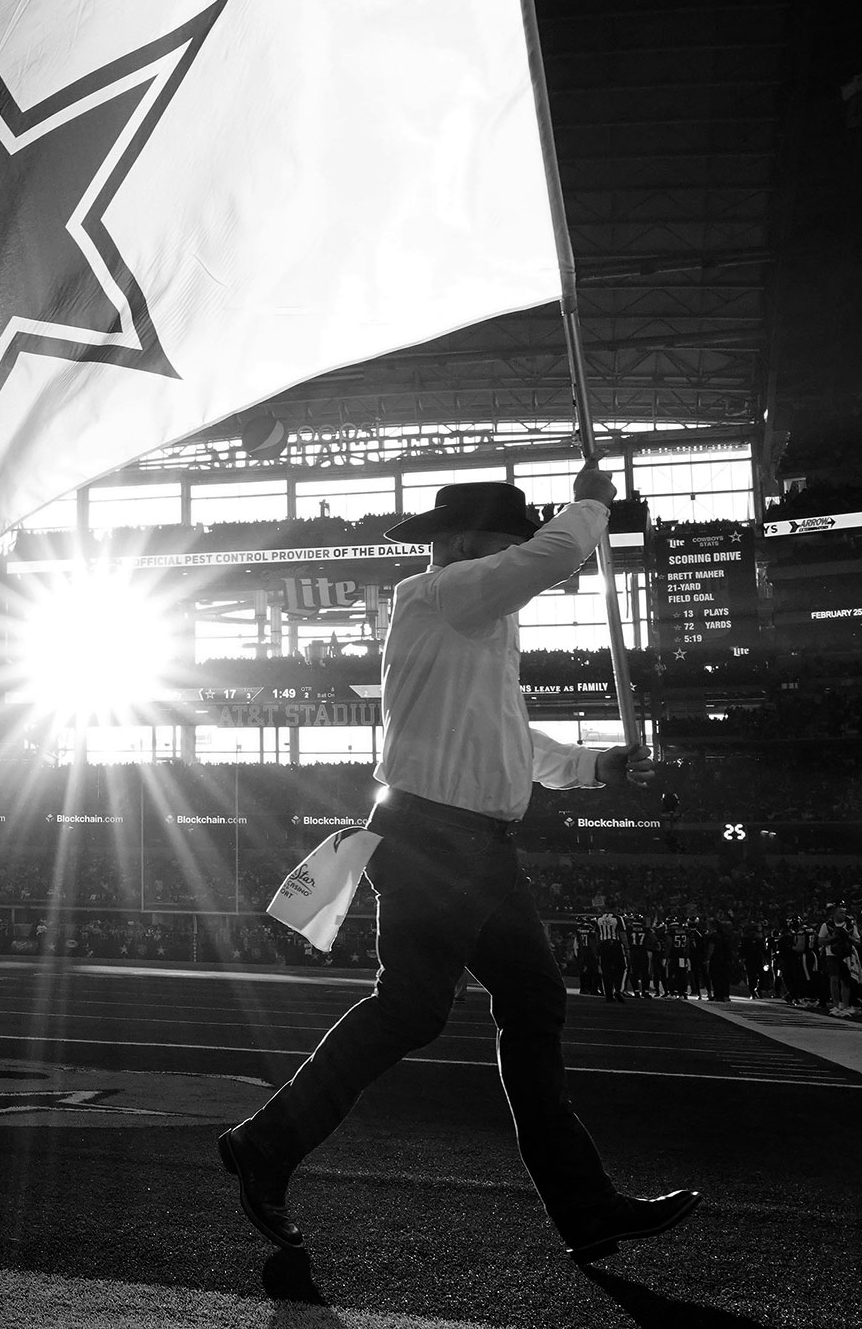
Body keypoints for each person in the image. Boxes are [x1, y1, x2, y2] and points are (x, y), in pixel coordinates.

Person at [217, 467, 698, 1266]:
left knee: (527, 1001)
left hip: (476, 845)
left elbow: (512, 741)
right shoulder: (438, 594)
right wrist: (590, 507)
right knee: (413, 1007)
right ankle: (269, 1142)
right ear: (464, 544)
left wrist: (596, 769)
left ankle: (586, 1207)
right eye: (508, 544)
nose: (517, 560)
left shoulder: (474, 619)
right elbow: (543, 562)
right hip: (434, 838)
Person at [594, 907, 625, 1004]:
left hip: (603, 944)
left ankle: (608, 995)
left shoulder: (598, 919)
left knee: (606, 970)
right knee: (620, 968)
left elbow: (596, 934)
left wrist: (598, 947)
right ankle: (617, 989)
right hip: (615, 944)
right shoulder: (618, 918)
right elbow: (622, 933)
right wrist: (627, 948)